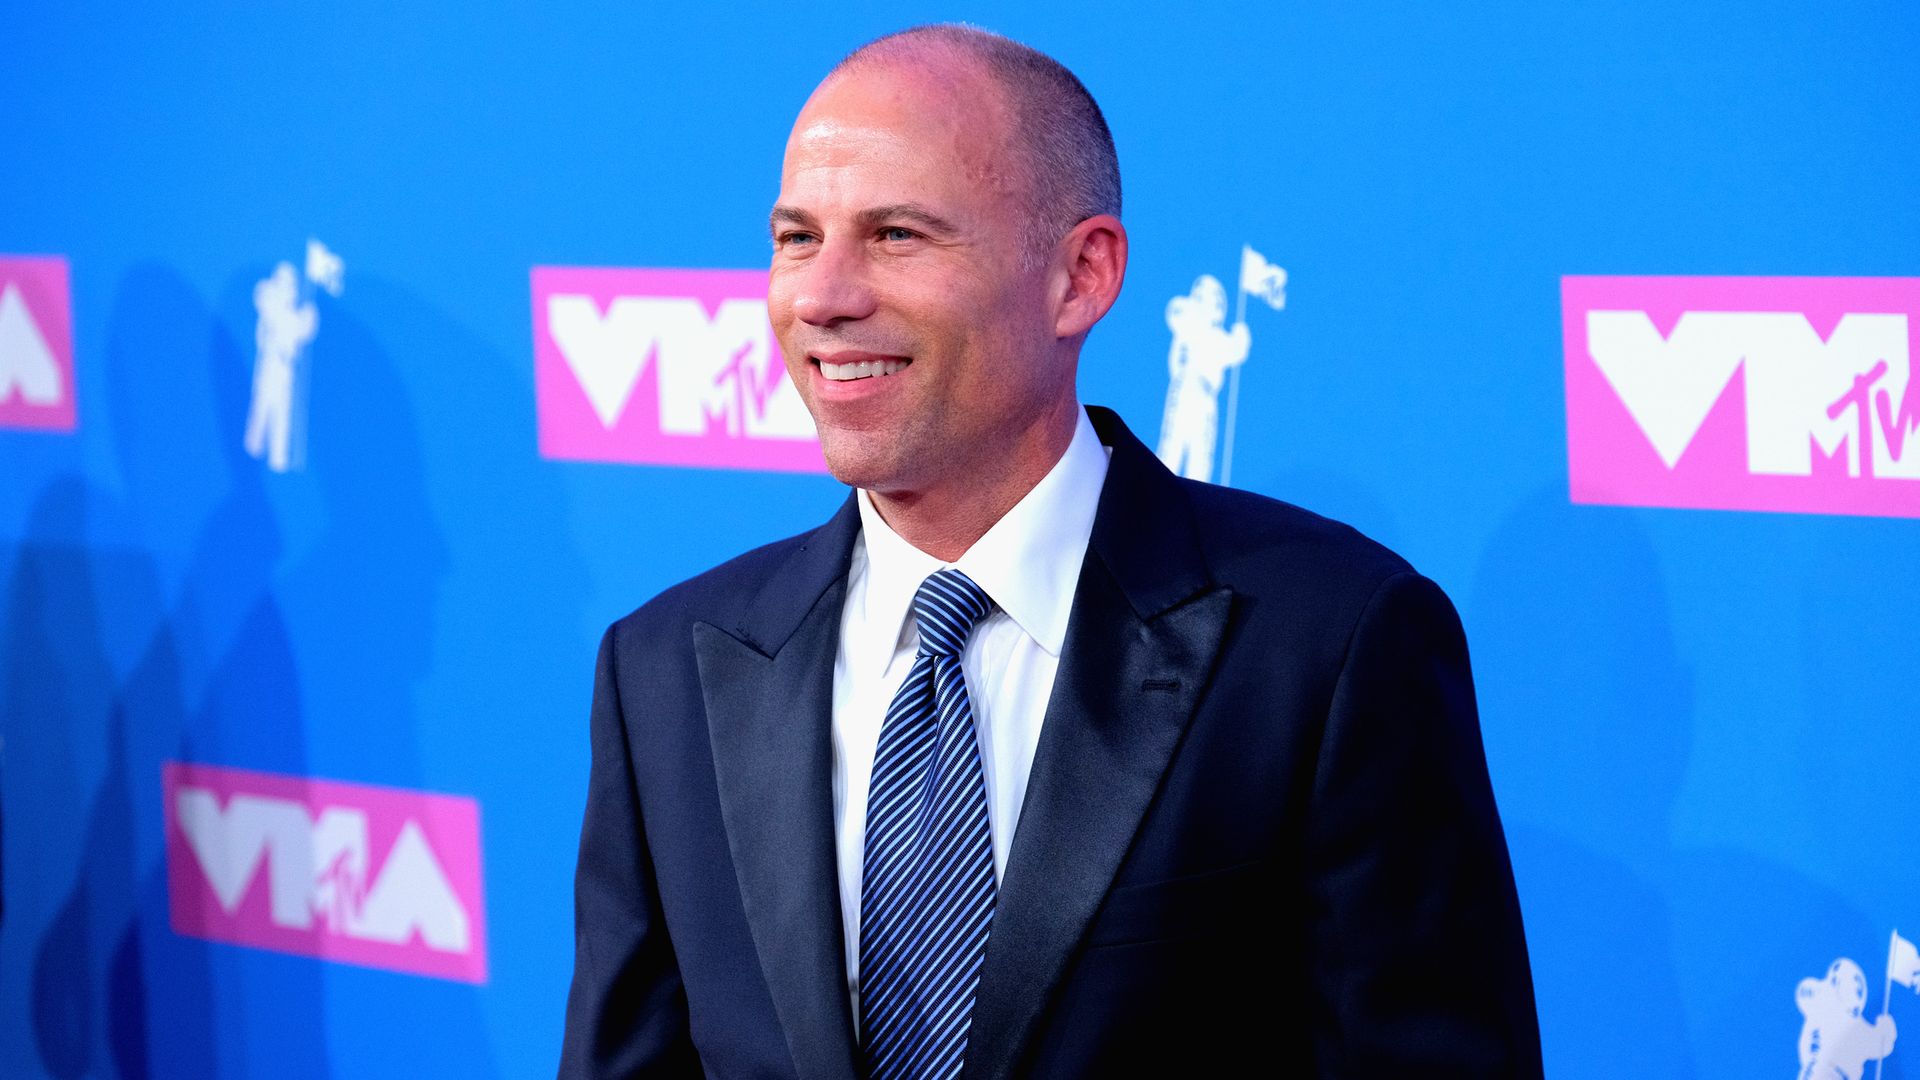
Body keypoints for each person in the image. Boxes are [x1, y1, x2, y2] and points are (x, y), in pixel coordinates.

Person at [559, 23, 1542, 1079]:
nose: (822, 297)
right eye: (797, 237)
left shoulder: (1328, 645)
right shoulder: (665, 671)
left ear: (1081, 274)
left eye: (896, 235)